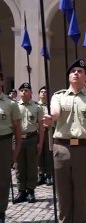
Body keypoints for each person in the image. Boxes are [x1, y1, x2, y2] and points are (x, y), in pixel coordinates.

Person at [42, 59, 86, 222]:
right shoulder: (58, 97)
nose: (76, 73)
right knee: (63, 194)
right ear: (68, 76)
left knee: (81, 195)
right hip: (62, 148)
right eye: (73, 71)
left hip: (85, 150)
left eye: (80, 71)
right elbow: (55, 112)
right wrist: (51, 118)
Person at [13, 83, 45, 204]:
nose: (23, 93)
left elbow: (41, 128)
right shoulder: (15, 106)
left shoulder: (37, 107)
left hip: (32, 138)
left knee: (32, 166)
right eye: (21, 90)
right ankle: (21, 191)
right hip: (19, 139)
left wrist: (40, 143)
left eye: (26, 90)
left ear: (31, 92)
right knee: (19, 166)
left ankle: (31, 190)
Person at [0, 81, 22, 222]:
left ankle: (1, 211)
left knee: (3, 179)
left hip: (4, 142)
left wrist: (17, 149)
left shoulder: (11, 104)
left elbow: (17, 129)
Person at [37, 86, 53, 186]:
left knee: (48, 152)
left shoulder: (51, 106)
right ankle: (41, 174)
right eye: (41, 91)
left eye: (45, 92)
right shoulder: (35, 106)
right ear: (39, 94)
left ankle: (48, 175)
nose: (43, 93)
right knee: (39, 153)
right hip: (38, 131)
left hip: (48, 131)